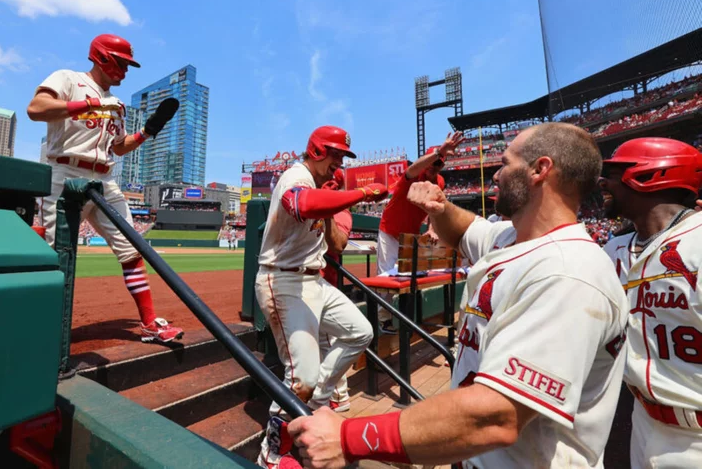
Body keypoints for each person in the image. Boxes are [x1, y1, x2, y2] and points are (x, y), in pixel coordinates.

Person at [288, 123, 630, 469]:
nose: (496, 175)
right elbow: (466, 228)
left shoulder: (568, 272)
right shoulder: (512, 237)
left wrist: (348, 437)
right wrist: (440, 207)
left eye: (505, 163)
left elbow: (496, 416)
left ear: (540, 170)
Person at [27, 34, 183, 344]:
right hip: (64, 171)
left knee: (131, 249)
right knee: (53, 254)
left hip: (105, 178)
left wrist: (146, 133)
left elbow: (117, 147)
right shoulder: (68, 79)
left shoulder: (117, 105)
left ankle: (150, 323)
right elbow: (36, 108)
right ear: (101, 57)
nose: (125, 71)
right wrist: (91, 103)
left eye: (128, 66)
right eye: (121, 63)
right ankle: (39, 328)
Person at [254, 125, 388, 469]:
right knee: (302, 377)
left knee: (360, 332)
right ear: (316, 151)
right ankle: (272, 447)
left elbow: (334, 242)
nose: (339, 163)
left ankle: (318, 400)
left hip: (315, 282)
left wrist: (335, 201)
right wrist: (359, 195)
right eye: (336, 154)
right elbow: (302, 204)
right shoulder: (294, 176)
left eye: (343, 156)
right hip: (283, 281)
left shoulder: (318, 184)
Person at [599, 137, 702, 468]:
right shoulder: (611, 251)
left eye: (614, 172)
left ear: (650, 175)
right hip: (643, 422)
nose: (602, 181)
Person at [375, 142, 453, 334]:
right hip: (390, 230)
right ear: (426, 161)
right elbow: (412, 168)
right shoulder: (414, 175)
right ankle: (383, 320)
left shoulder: (439, 183)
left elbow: (435, 209)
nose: (433, 168)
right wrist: (437, 153)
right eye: (431, 162)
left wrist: (432, 229)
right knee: (386, 277)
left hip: (411, 235)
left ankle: (406, 319)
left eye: (438, 164)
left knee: (410, 278)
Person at [319, 168, 353, 413]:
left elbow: (338, 244)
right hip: (307, 283)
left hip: (325, 285)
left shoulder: (342, 210)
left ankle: (338, 396)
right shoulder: (306, 197)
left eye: (332, 183)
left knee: (329, 342)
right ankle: (333, 396)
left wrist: (326, 208)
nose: (326, 185)